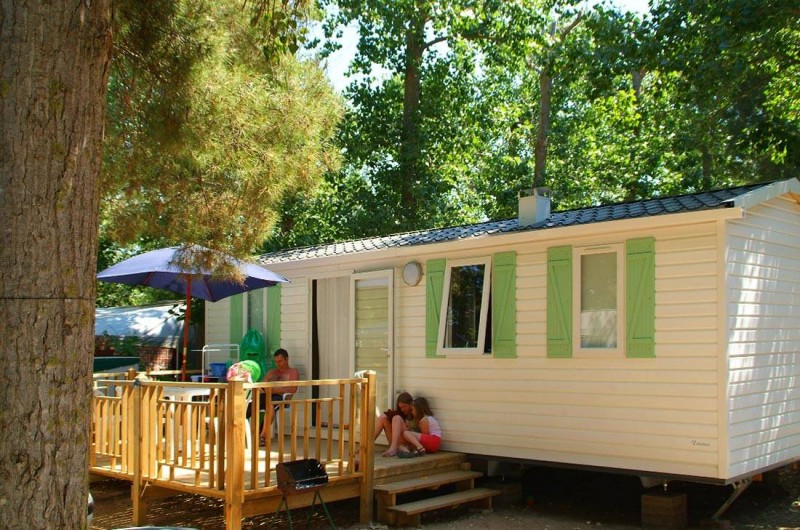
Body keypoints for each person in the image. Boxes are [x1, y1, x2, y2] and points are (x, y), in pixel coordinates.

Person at [258, 348, 299, 443]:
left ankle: (263, 436)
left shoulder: (292, 372)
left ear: (287, 359)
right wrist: (271, 389)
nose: (278, 364)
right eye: (276, 361)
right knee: (246, 404)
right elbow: (261, 385)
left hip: (278, 399)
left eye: (280, 361)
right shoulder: (271, 372)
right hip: (263, 397)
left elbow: (292, 389)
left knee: (270, 405)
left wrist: (271, 390)